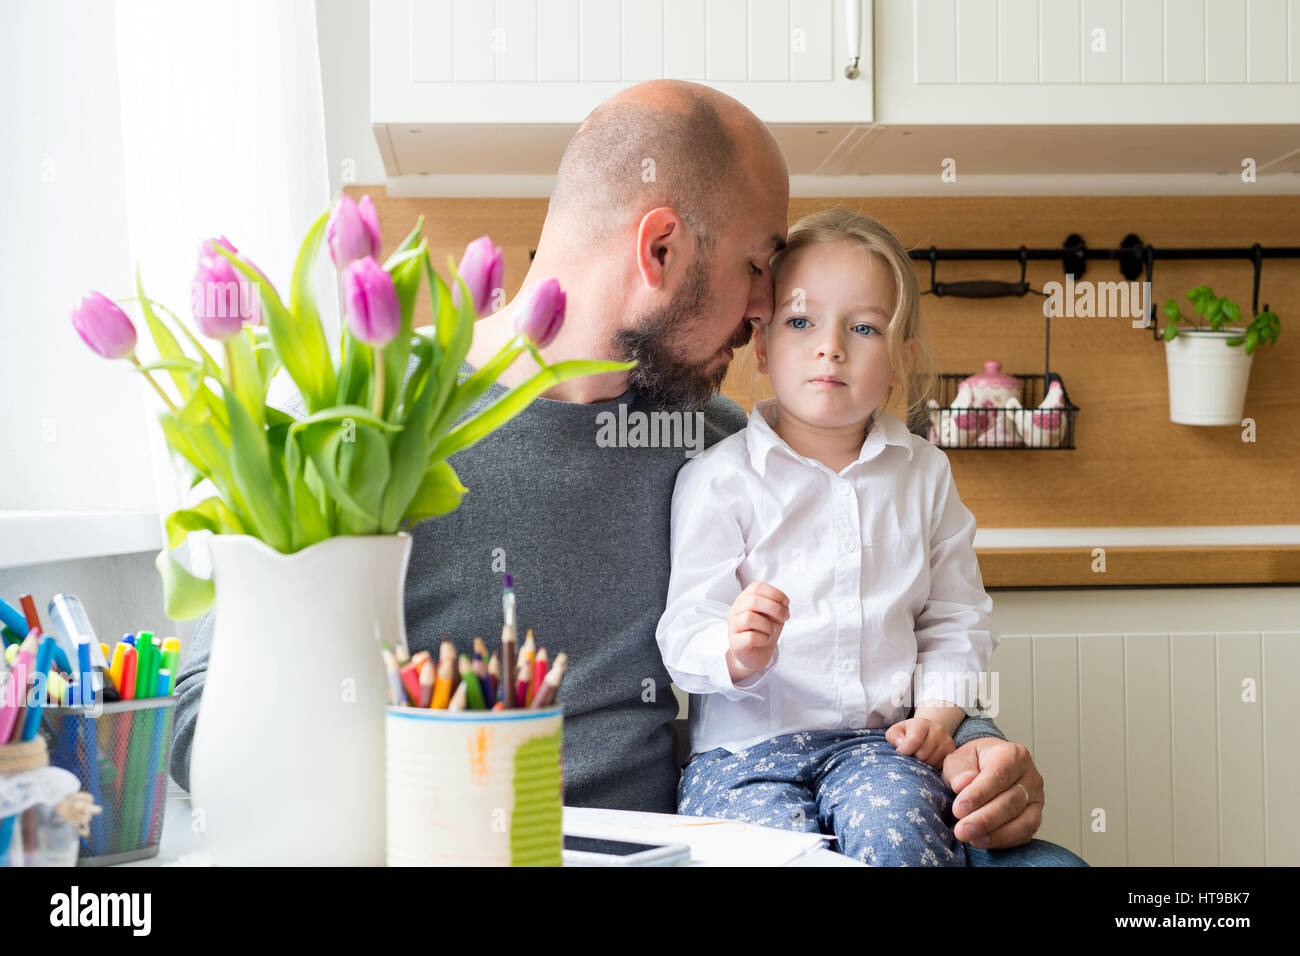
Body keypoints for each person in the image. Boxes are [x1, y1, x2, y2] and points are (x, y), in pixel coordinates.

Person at [170, 79, 1082, 865]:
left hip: (701, 838)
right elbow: (203, 707)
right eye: (760, 267)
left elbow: (880, 629)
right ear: (661, 251)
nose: (769, 310)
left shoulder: (726, 446)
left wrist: (974, 748)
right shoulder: (369, 427)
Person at [662, 208, 997, 865]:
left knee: (906, 841)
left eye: (864, 327)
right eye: (800, 321)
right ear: (761, 346)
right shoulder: (717, 479)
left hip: (878, 749)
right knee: (763, 857)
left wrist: (936, 718)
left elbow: (957, 620)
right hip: (741, 756)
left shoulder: (925, 475)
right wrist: (732, 648)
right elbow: (682, 628)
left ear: (901, 359)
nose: (831, 347)